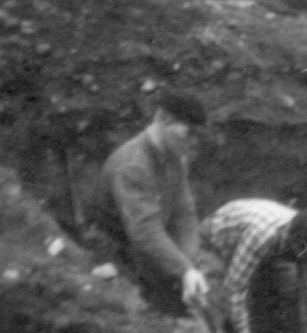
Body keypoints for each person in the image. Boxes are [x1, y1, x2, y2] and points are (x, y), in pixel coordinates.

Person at [81, 91, 210, 314]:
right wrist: (184, 270)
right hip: (115, 252)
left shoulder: (175, 160)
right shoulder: (133, 166)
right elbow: (144, 231)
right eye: (189, 132)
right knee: (145, 314)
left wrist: (189, 265)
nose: (193, 141)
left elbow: (184, 216)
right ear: (164, 119)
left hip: (148, 250)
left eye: (198, 135)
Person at [198, 199, 307, 333]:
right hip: (216, 242)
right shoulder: (261, 235)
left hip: (267, 249)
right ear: (297, 244)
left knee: (288, 287)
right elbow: (234, 288)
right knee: (214, 299)